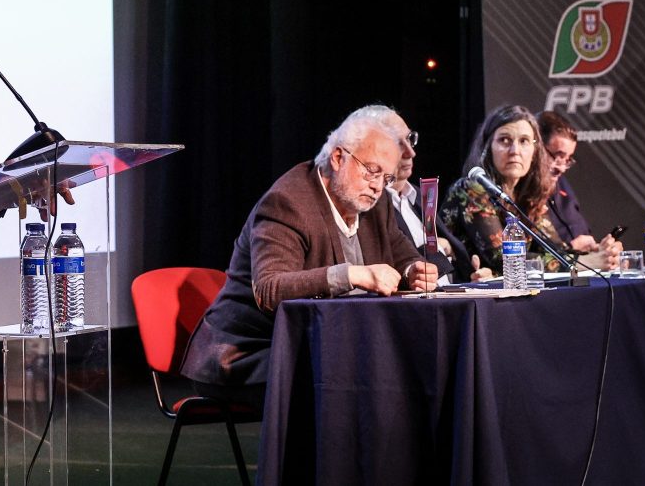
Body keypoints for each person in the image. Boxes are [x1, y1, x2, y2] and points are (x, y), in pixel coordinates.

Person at [179, 105, 438, 412]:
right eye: (371, 170)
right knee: (344, 376)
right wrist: (352, 274)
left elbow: (399, 249)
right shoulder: (287, 202)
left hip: (324, 347)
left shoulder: (374, 202)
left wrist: (413, 270)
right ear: (339, 157)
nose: (378, 185)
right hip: (248, 354)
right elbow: (270, 289)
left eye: (386, 177)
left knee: (406, 361)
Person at [440, 105, 566, 274]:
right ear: (488, 147)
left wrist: (596, 254)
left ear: (535, 151)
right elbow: (505, 258)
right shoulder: (472, 189)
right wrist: (578, 263)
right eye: (504, 140)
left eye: (524, 141)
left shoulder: (528, 195)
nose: (515, 151)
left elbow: (555, 249)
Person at [381, 111, 491, 284]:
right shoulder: (371, 204)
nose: (411, 152)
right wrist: (440, 249)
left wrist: (473, 278)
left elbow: (453, 260)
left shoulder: (417, 196)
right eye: (397, 143)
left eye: (410, 139)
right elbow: (396, 264)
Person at [537, 110, 622, 263]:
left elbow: (582, 237)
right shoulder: (520, 194)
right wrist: (571, 248)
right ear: (537, 148)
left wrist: (601, 251)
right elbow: (528, 260)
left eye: (567, 159)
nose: (561, 168)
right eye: (557, 156)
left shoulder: (561, 183)